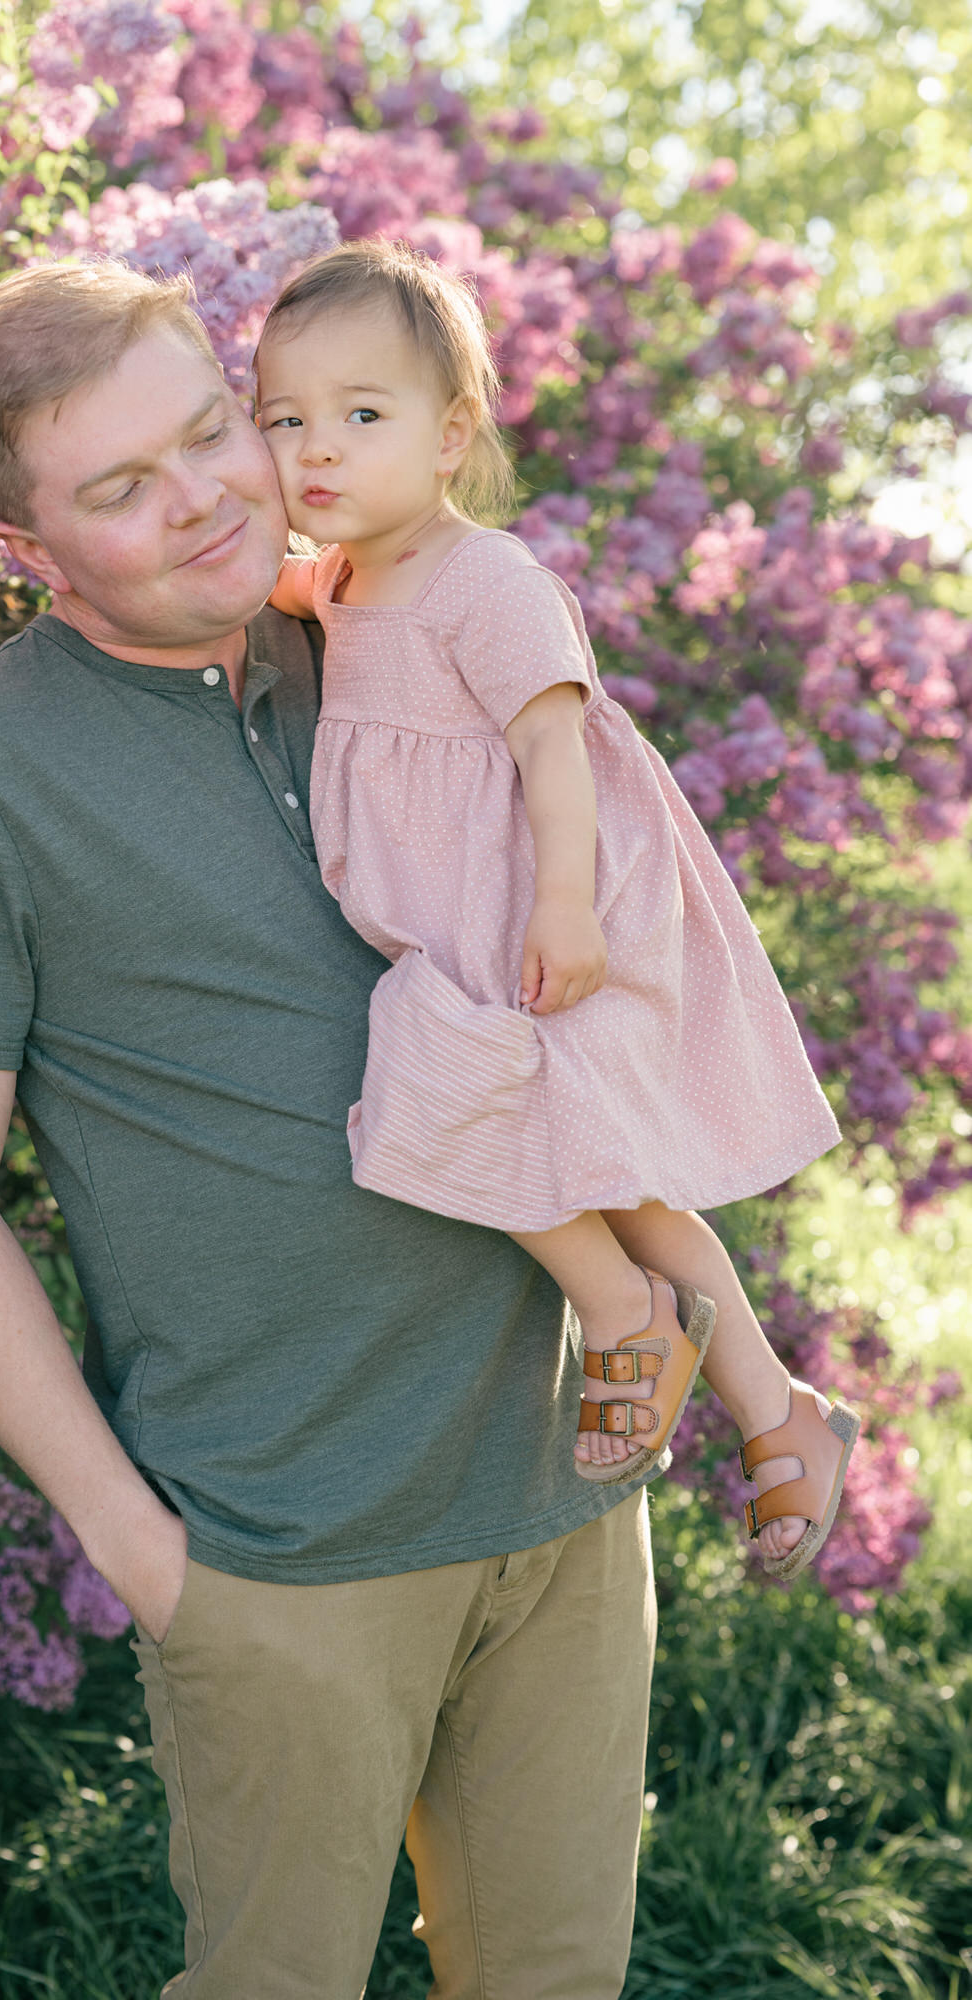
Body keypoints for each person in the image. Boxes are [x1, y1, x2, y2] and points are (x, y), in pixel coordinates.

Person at [0, 258, 659, 1999]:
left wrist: (701, 1328)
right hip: (273, 1551)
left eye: (209, 430)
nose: (201, 493)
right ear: (25, 540)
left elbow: (567, 1028)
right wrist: (143, 1550)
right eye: (119, 488)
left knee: (557, 1981)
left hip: (559, 1500)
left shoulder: (395, 636)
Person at [257, 237, 860, 1580]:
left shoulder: (488, 583)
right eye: (283, 419)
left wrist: (571, 909)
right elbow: (284, 596)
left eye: (363, 416)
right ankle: (779, 1412)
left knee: (480, 1105)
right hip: (457, 931)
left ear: (452, 430)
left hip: (542, 913)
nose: (318, 450)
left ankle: (626, 1315)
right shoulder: (342, 582)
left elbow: (552, 754)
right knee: (587, 1165)